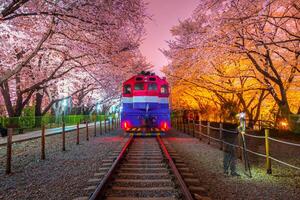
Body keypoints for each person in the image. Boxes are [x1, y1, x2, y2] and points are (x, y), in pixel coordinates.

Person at [222, 112, 240, 176]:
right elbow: (234, 127)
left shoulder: (226, 122)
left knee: (230, 155)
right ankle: (229, 171)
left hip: (228, 140)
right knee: (229, 155)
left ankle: (228, 171)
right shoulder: (230, 124)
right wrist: (239, 122)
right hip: (230, 140)